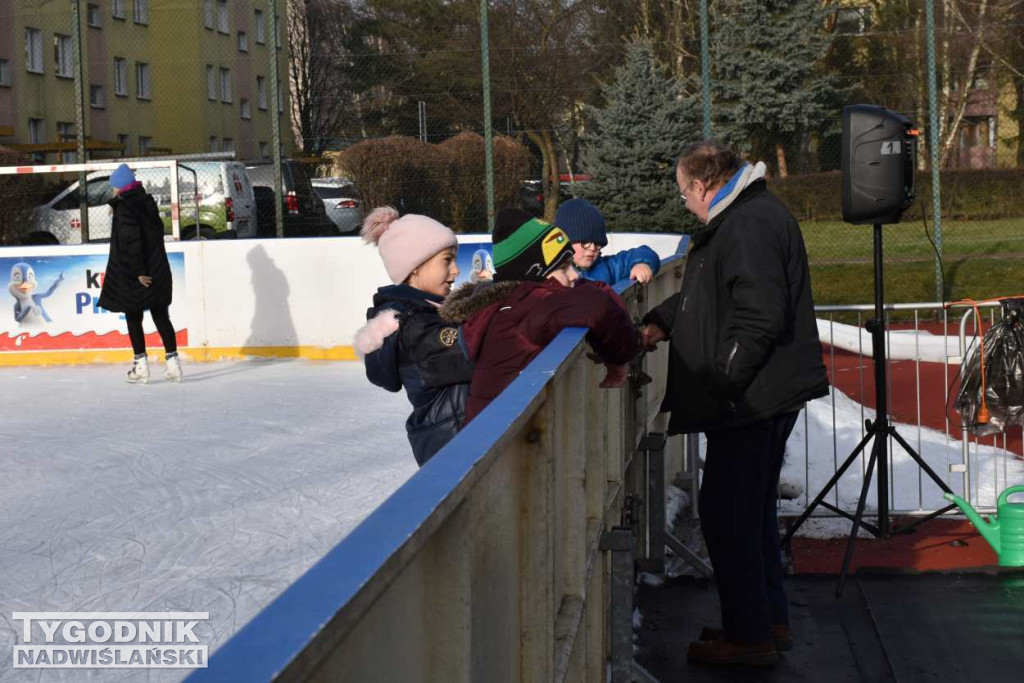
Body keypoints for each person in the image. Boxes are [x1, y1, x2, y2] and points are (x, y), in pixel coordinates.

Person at [640, 141, 829, 667]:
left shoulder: (747, 223)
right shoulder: (746, 216)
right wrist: (663, 319)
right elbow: (711, 295)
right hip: (761, 393)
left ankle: (749, 635)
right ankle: (764, 621)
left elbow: (758, 314)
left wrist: (723, 378)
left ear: (702, 185)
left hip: (752, 398)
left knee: (728, 514)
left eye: (683, 193)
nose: (684, 203)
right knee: (749, 511)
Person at [441, 208, 641, 423]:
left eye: (571, 265)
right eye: (564, 268)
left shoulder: (512, 301)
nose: (575, 276)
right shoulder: (531, 305)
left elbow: (593, 293)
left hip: (502, 432)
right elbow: (598, 305)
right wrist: (619, 359)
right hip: (507, 440)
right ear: (534, 273)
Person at [354, 206, 474, 466]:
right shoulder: (415, 328)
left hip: (458, 436)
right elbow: (470, 350)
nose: (455, 271)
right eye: (447, 260)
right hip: (450, 443)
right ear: (416, 266)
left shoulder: (430, 313)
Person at [98, 164, 182, 384]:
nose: (113, 191)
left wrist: (139, 272)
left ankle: (140, 366)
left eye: (114, 186)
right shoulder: (146, 202)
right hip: (158, 268)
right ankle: (174, 365)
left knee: (133, 316)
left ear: (121, 186)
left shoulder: (125, 207)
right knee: (161, 315)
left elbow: (133, 241)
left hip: (136, 272)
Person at [554, 198, 661, 285]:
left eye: (597, 243)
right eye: (585, 242)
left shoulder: (608, 267)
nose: (592, 248)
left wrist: (642, 264)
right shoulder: (552, 275)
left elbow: (644, 252)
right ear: (566, 242)